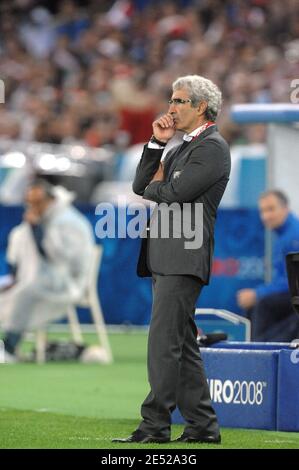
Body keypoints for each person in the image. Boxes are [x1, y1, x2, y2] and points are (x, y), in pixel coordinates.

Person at [113, 75, 231, 444]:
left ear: (201, 107)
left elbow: (176, 192)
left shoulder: (212, 147)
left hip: (184, 256)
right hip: (168, 255)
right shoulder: (181, 146)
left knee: (163, 344)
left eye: (179, 101)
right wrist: (156, 144)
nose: (171, 107)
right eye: (171, 99)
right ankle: (202, 426)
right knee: (182, 345)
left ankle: (154, 426)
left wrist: (157, 187)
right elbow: (141, 186)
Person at [0, 179, 94, 362]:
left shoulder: (67, 221)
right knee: (18, 288)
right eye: (29, 203)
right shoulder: (44, 219)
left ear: (49, 200)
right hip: (43, 278)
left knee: (26, 292)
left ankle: (10, 345)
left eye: (36, 203)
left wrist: (36, 229)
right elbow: (19, 252)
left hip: (68, 282)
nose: (32, 207)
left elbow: (55, 257)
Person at [237, 190, 299, 342]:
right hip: (290, 297)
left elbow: (293, 283)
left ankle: (259, 354)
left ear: (285, 208)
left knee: (263, 304)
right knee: (256, 305)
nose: (265, 216)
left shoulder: (294, 236)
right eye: (262, 211)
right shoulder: (282, 237)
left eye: (271, 209)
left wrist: (258, 293)